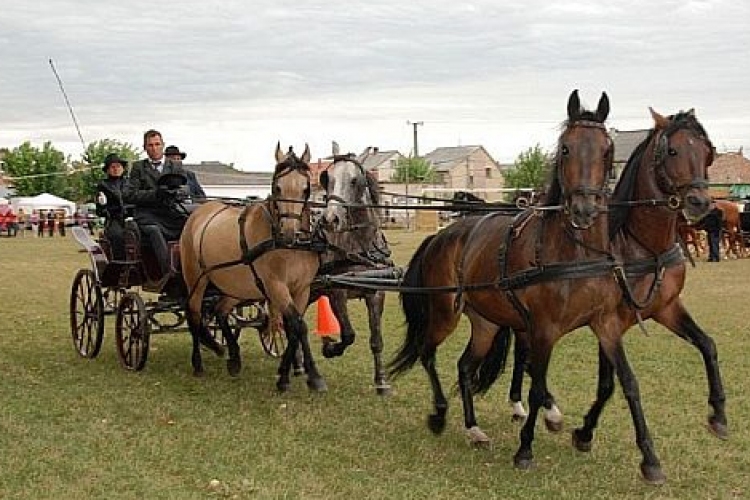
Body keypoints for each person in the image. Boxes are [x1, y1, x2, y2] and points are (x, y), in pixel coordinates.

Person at [123, 129, 190, 277]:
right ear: (145, 148)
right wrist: (155, 194)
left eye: (157, 144)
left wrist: (174, 193)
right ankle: (168, 270)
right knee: (154, 231)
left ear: (162, 145)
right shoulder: (138, 168)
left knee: (191, 225)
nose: (154, 148)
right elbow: (129, 194)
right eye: (150, 145)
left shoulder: (175, 166)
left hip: (171, 212)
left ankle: (192, 265)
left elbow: (186, 189)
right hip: (147, 214)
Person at [96, 153, 129, 259]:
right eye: (112, 167)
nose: (116, 169)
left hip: (131, 217)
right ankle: (120, 262)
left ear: (123, 168)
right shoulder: (103, 185)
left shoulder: (130, 183)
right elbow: (99, 211)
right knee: (117, 235)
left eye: (118, 166)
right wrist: (103, 205)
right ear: (107, 170)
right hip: (114, 219)